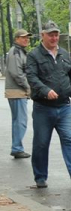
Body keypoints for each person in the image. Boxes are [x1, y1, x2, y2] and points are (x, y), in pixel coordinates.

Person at [25, 21, 71, 188]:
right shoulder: (34, 55)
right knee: (41, 143)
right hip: (43, 108)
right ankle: (40, 177)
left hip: (64, 107)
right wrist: (45, 90)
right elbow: (31, 77)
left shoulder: (64, 54)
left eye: (56, 34)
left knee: (69, 139)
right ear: (42, 35)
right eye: (50, 34)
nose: (54, 37)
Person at [5, 29, 33, 159]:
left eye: (27, 37)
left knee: (18, 120)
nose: (26, 39)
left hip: (17, 91)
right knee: (20, 121)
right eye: (23, 37)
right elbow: (17, 74)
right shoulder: (15, 52)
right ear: (16, 39)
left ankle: (17, 147)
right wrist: (28, 87)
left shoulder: (19, 51)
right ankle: (17, 148)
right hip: (17, 91)